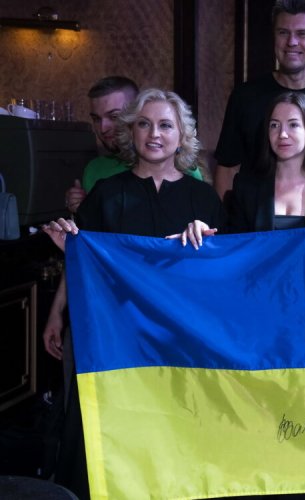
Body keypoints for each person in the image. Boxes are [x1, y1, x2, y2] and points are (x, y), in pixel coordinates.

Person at [42, 89, 225, 499]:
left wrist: (207, 244)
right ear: (131, 132)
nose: (154, 134)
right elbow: (84, 261)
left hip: (180, 344)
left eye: (165, 125)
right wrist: (57, 311)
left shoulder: (204, 199)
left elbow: (221, 280)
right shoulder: (107, 193)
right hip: (117, 338)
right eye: (144, 124)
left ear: (182, 135)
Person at [214, 0, 305, 201]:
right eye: (283, 32)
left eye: (302, 34)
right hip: (252, 217)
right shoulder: (245, 97)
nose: (292, 42)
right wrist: (224, 219)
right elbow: (228, 168)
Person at [178, 92, 305, 249]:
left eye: (293, 125)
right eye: (274, 125)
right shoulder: (246, 188)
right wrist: (204, 231)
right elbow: (231, 246)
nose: (282, 134)